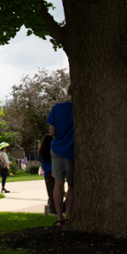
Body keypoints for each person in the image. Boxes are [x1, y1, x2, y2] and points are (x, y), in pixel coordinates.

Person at [47, 85, 74, 226]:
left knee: (58, 184)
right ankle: (68, 215)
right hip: (71, 151)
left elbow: (51, 132)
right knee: (72, 185)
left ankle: (59, 217)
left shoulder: (57, 108)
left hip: (56, 149)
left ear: (68, 92)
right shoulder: (80, 110)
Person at [37, 134, 57, 215]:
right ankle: (56, 209)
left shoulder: (41, 152)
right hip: (55, 171)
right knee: (58, 191)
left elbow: (41, 161)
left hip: (47, 173)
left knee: (51, 192)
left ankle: (53, 209)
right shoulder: (53, 150)